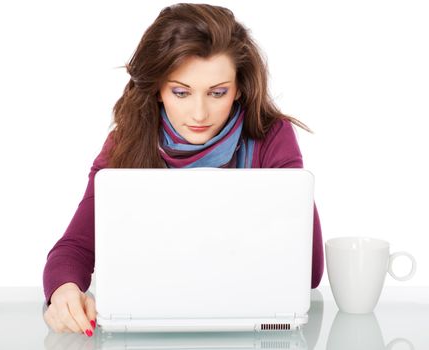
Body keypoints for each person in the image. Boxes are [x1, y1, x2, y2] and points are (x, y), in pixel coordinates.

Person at [42, 2, 324, 336]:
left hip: (250, 331)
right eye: (181, 92)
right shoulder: (127, 141)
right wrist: (64, 292)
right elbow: (75, 247)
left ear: (239, 89)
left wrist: (290, 192)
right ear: (158, 88)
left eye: (218, 92)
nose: (200, 113)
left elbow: (309, 272)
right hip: (148, 329)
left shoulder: (270, 136)